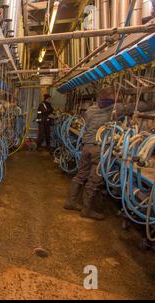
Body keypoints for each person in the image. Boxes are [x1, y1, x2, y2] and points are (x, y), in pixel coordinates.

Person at [63, 87, 116, 220]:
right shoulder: (114, 110)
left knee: (81, 175)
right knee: (93, 180)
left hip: (86, 146)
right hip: (99, 148)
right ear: (111, 99)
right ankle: (87, 210)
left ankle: (71, 202)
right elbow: (137, 107)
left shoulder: (90, 110)